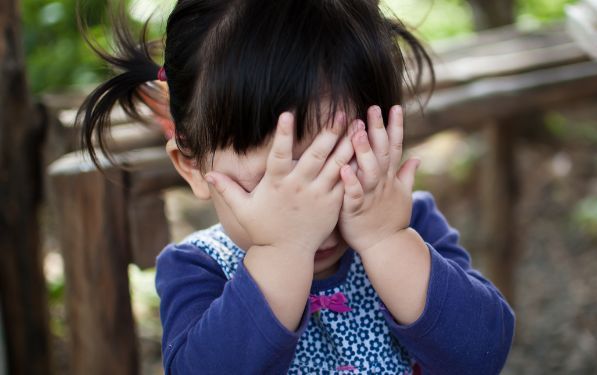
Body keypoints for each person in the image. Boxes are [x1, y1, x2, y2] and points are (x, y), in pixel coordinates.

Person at [76, 0, 515, 373]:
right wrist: (282, 253)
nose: (314, 210)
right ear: (192, 165)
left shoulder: (410, 224)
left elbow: (482, 354)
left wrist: (387, 240)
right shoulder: (200, 270)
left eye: (339, 164)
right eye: (276, 179)